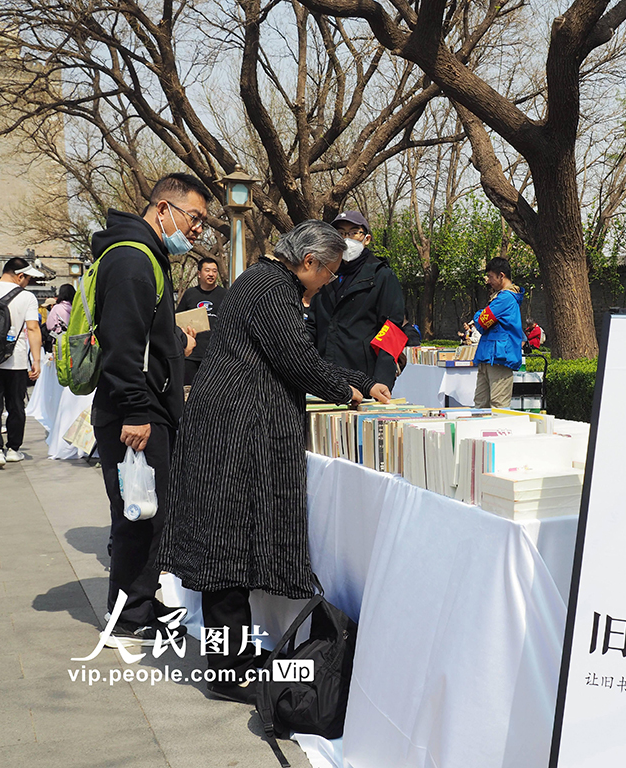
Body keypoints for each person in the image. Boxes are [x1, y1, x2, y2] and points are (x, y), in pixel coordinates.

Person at [157, 220, 391, 704]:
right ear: (309, 262)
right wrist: (347, 389)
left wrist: (362, 381)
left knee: (229, 547)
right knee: (224, 551)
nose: (330, 280)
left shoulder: (264, 280)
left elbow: (297, 355)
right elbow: (298, 360)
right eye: (329, 272)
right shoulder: (271, 288)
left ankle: (236, 659)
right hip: (232, 427)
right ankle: (228, 673)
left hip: (233, 422)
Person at [91, 172, 204, 649]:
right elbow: (121, 346)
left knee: (149, 513)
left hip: (146, 405)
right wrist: (136, 411)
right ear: (163, 209)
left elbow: (144, 334)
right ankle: (127, 616)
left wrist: (174, 342)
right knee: (139, 514)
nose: (197, 229)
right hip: (135, 412)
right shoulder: (133, 260)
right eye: (193, 217)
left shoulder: (145, 256)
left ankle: (140, 600)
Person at [307, 210, 406, 391]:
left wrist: (382, 380)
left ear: (366, 239)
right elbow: (312, 324)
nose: (346, 239)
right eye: (340, 233)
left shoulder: (381, 275)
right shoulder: (324, 274)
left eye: (353, 232)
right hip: (323, 377)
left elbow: (392, 330)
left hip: (365, 379)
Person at [0, 258, 43, 469]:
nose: (27, 283)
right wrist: (36, 360)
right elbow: (33, 329)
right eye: (27, 278)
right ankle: (12, 449)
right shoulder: (27, 297)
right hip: (15, 361)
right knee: (16, 406)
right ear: (20, 276)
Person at [472, 257, 525, 409]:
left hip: (499, 358)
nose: (488, 281)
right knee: (481, 405)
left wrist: (478, 314)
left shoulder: (505, 298)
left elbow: (481, 322)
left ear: (501, 276)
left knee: (498, 406)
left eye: (490, 277)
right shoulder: (502, 298)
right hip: (490, 357)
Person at [176, 256, 227, 385]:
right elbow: (178, 320)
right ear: (199, 273)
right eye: (207, 270)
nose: (211, 274)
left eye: (214, 271)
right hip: (191, 355)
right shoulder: (190, 294)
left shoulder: (225, 294)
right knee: (188, 390)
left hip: (216, 356)